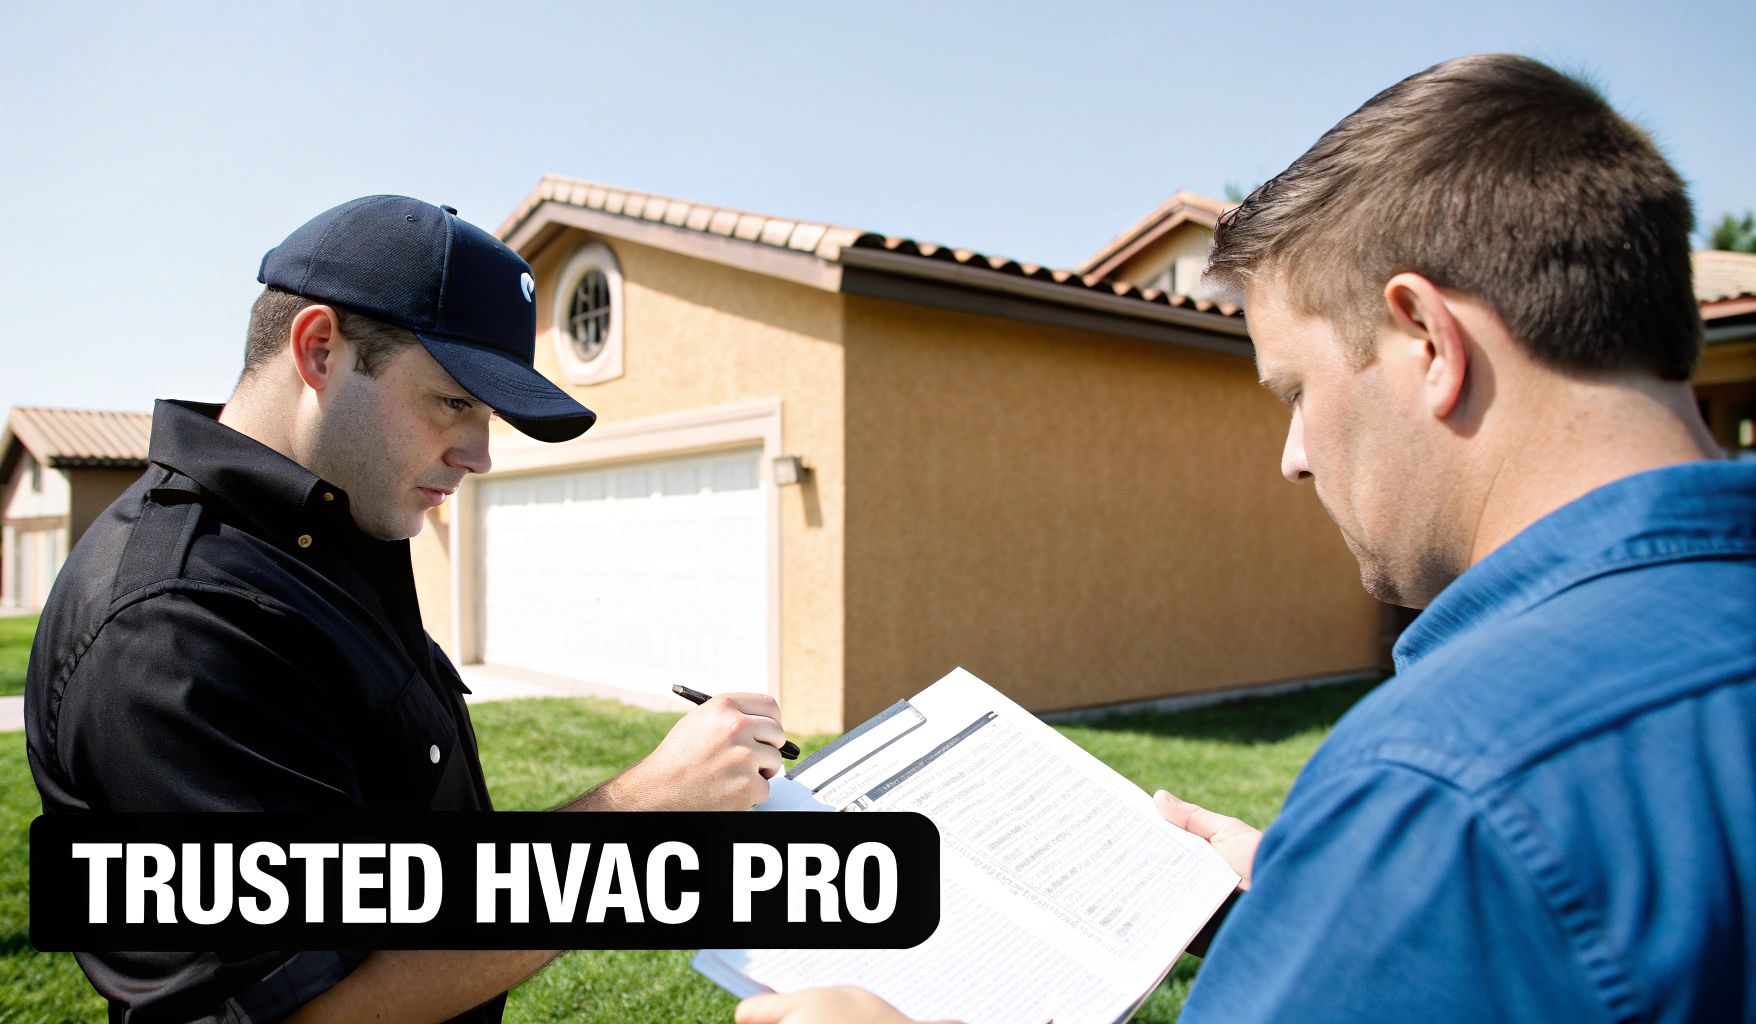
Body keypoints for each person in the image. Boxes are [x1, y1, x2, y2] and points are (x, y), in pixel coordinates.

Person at [739, 53, 1756, 1023]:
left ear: (1426, 340)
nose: (1293, 455)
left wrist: (1383, 866)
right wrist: (1319, 898)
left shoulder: (1437, 786)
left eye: (1296, 391)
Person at [24, 196, 791, 1023]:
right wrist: (641, 819)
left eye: (486, 414)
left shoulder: (323, 539)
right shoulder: (176, 624)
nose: (481, 454)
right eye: (454, 402)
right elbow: (302, 1006)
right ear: (319, 349)